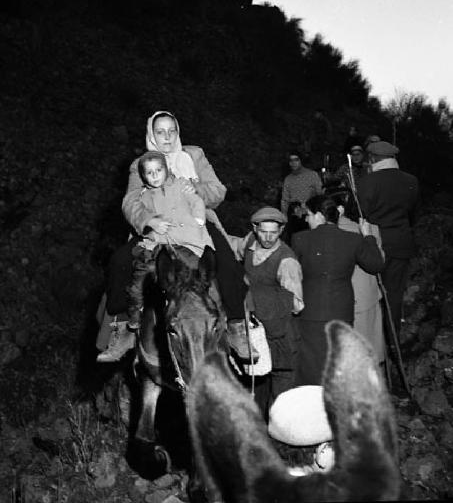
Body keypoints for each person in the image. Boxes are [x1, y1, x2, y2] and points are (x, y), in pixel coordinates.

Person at [96, 111, 253, 362]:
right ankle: (123, 327)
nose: (167, 137)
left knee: (229, 266)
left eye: (172, 131)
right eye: (161, 131)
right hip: (160, 227)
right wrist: (149, 221)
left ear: (178, 132)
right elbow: (130, 202)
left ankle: (236, 326)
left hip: (194, 223)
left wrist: (196, 189)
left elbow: (218, 191)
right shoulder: (141, 164)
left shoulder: (194, 155)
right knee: (120, 262)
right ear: (152, 134)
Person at [291, 194, 385, 386]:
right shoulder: (353, 239)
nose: (306, 219)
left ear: (319, 215)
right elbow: (376, 264)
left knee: (311, 366)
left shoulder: (299, 239)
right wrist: (368, 236)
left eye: (308, 215)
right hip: (342, 310)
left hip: (310, 311)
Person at [125, 151, 214, 331]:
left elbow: (196, 201)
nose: (155, 175)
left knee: (203, 275)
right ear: (143, 176)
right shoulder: (143, 196)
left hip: (189, 241)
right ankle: (136, 309)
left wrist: (198, 219)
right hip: (160, 245)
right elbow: (138, 213)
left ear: (167, 170)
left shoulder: (181, 185)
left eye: (159, 170)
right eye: (150, 172)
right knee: (143, 274)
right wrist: (151, 224)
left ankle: (219, 318)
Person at [229, 207, 304, 419]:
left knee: (281, 380)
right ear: (255, 228)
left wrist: (260, 299)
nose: (268, 238)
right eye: (263, 232)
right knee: (256, 378)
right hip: (254, 328)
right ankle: (256, 425)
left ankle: (279, 431)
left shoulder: (287, 261)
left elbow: (297, 304)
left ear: (281, 230)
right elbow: (235, 248)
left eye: (274, 232)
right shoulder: (250, 242)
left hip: (277, 329)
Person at [356, 141, 419, 338]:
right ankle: (393, 343)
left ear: (373, 159)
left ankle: (375, 345)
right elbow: (414, 215)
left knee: (370, 296)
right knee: (394, 295)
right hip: (400, 243)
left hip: (375, 244)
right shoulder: (411, 180)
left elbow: (359, 214)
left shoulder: (368, 181)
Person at [334, 195, 385, 365]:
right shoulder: (370, 228)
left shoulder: (333, 232)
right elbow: (381, 258)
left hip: (347, 298)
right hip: (368, 295)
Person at [280, 151, 323, 215]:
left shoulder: (312, 175)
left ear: (301, 161)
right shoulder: (288, 179)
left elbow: (320, 195)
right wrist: (284, 215)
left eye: (296, 160)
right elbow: (285, 200)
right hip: (294, 215)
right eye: (291, 161)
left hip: (310, 214)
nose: (293, 163)